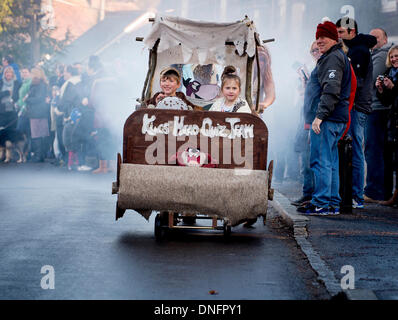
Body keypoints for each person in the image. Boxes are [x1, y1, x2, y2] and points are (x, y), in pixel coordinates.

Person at [298, 21, 352, 216]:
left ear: (333, 38)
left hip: (327, 119)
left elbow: (331, 89)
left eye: (323, 37)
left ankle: (321, 202)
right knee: (330, 161)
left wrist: (319, 117)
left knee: (320, 161)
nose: (319, 41)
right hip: (335, 118)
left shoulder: (332, 58)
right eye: (317, 37)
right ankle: (331, 203)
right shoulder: (335, 56)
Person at [336, 17, 377, 209]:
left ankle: (357, 196)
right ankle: (353, 195)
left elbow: (357, 81)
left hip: (357, 106)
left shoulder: (359, 50)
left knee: (356, 150)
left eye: (341, 32)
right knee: (353, 148)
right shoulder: (355, 48)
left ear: (352, 31)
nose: (339, 35)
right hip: (354, 105)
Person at [364, 28, 395, 203]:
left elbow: (370, 78)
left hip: (378, 110)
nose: (373, 40)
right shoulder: (376, 54)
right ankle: (382, 191)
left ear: (385, 39)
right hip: (378, 109)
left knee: (374, 150)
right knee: (379, 151)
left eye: (377, 37)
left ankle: (374, 191)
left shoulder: (383, 55)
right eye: (372, 37)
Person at [291, 41, 321, 207]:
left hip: (316, 117)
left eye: (318, 49)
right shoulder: (309, 68)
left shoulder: (322, 68)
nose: (316, 52)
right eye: (313, 50)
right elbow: (302, 94)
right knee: (304, 153)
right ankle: (307, 192)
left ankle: (314, 195)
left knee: (313, 157)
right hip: (305, 115)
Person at [376, 45, 398, 206]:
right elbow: (388, 101)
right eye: (392, 57)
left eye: (397, 56)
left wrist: (394, 87)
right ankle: (391, 195)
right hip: (393, 121)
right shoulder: (390, 74)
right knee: (390, 159)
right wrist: (381, 90)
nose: (394, 59)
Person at [25, 67, 50, 162]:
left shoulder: (40, 85)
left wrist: (27, 99)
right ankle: (39, 155)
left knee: (37, 134)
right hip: (37, 112)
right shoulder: (36, 84)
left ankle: (39, 156)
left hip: (38, 112)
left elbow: (39, 98)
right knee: (38, 134)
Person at [0, 66, 22, 162]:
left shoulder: (17, 83)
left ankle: (12, 155)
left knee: (12, 134)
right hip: (2, 112)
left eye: (10, 73)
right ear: (4, 74)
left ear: (13, 74)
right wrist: (6, 92)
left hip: (13, 111)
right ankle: (2, 154)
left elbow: (19, 95)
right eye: (6, 73)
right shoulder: (1, 83)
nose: (8, 74)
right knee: (2, 134)